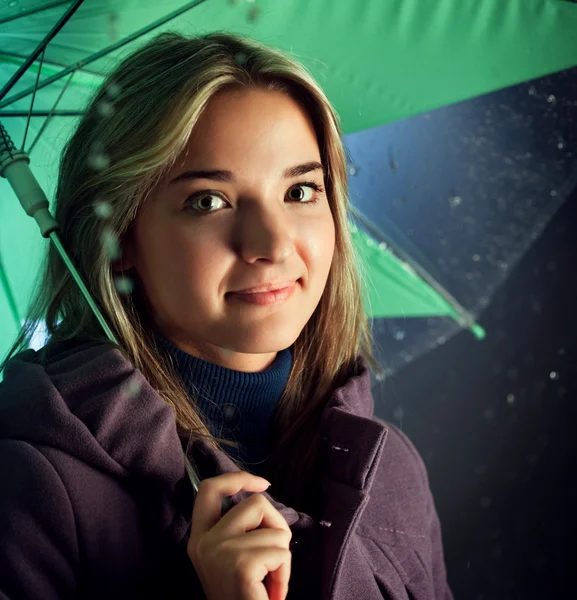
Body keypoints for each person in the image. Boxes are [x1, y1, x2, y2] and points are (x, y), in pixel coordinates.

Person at [0, 31, 453, 600]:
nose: (271, 244)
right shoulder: (30, 483)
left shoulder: (392, 474)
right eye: (208, 200)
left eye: (301, 191)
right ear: (120, 238)